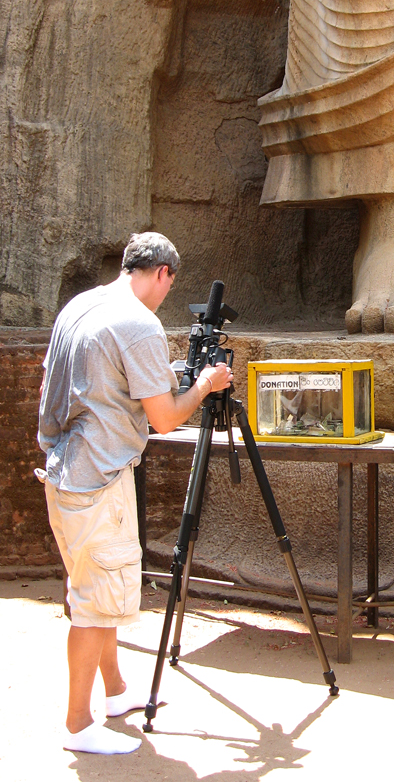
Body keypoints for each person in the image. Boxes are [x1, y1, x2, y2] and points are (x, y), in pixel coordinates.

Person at [37, 232, 232, 755]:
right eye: (171, 283)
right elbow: (166, 419)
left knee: (94, 588)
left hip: (63, 470)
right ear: (164, 273)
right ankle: (78, 725)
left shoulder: (82, 305)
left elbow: (95, 381)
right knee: (95, 605)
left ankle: (117, 692)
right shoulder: (139, 323)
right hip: (100, 479)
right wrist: (207, 384)